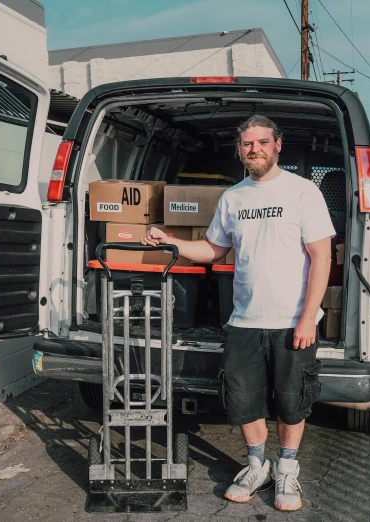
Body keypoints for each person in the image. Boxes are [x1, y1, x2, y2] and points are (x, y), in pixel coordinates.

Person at [142, 115, 334, 511]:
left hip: (291, 320)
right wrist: (170, 240)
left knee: (291, 400)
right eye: (248, 144)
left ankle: (286, 471)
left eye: (263, 142)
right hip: (245, 320)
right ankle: (256, 465)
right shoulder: (233, 198)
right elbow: (213, 251)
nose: (255, 149)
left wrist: (307, 317)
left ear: (277, 144)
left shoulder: (302, 192)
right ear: (239, 149)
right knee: (243, 398)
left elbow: (322, 255)